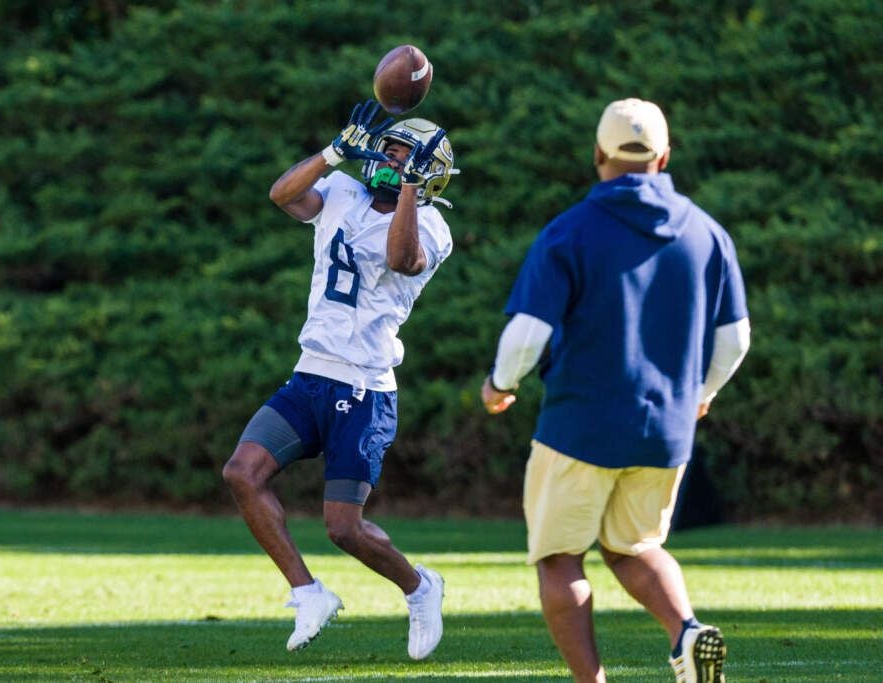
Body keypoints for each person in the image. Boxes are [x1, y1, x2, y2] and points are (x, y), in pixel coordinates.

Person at [481, 98, 750, 683]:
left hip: (579, 427)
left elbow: (528, 332)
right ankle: (687, 632)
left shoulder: (569, 231)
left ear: (598, 154)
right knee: (634, 548)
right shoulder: (708, 234)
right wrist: (702, 394)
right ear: (665, 156)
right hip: (666, 432)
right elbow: (736, 340)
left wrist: (500, 384)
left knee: (559, 558)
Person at [222, 99, 458, 660]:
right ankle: (308, 593)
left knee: (344, 530)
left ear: (428, 173)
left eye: (404, 156)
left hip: (365, 388)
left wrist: (409, 190)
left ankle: (420, 588)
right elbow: (283, 195)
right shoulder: (344, 193)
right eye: (389, 149)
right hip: (310, 376)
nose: (388, 160)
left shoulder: (432, 224)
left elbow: (403, 259)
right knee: (241, 472)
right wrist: (334, 151)